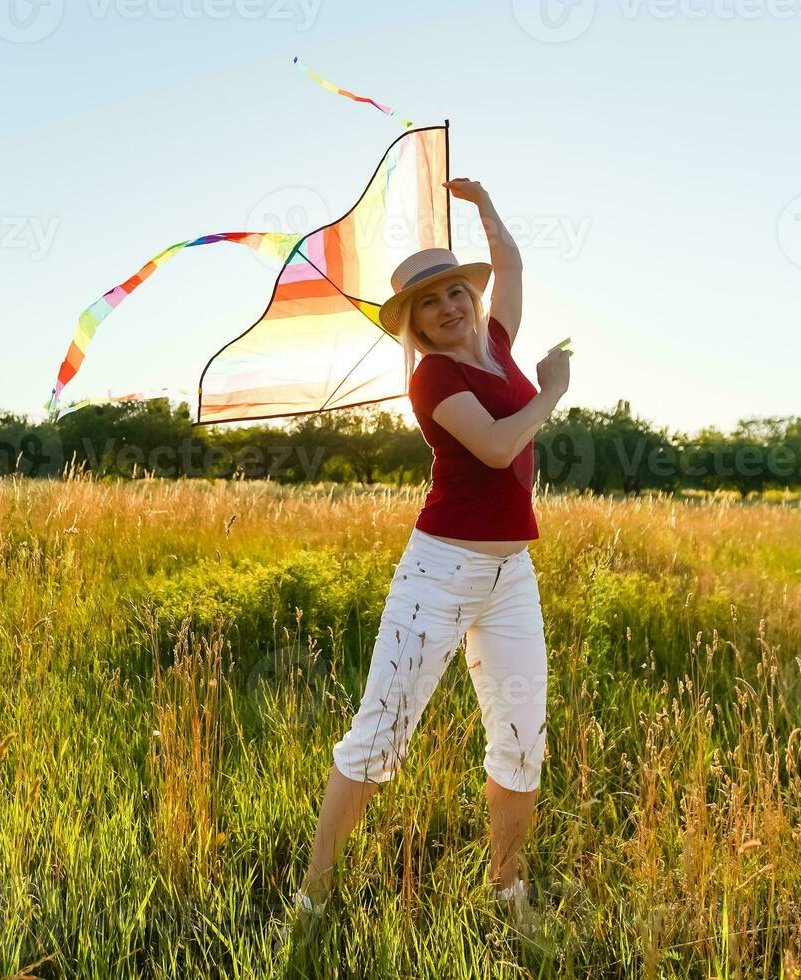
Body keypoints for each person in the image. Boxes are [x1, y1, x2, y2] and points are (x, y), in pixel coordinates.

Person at [291, 177, 573, 933]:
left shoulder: (499, 345)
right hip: (439, 572)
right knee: (381, 733)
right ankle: (312, 900)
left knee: (521, 739)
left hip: (511, 575)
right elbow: (495, 444)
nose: (448, 307)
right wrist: (552, 394)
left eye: (456, 292)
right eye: (430, 301)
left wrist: (486, 209)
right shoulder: (432, 377)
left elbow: (508, 267)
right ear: (413, 321)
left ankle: (507, 890)